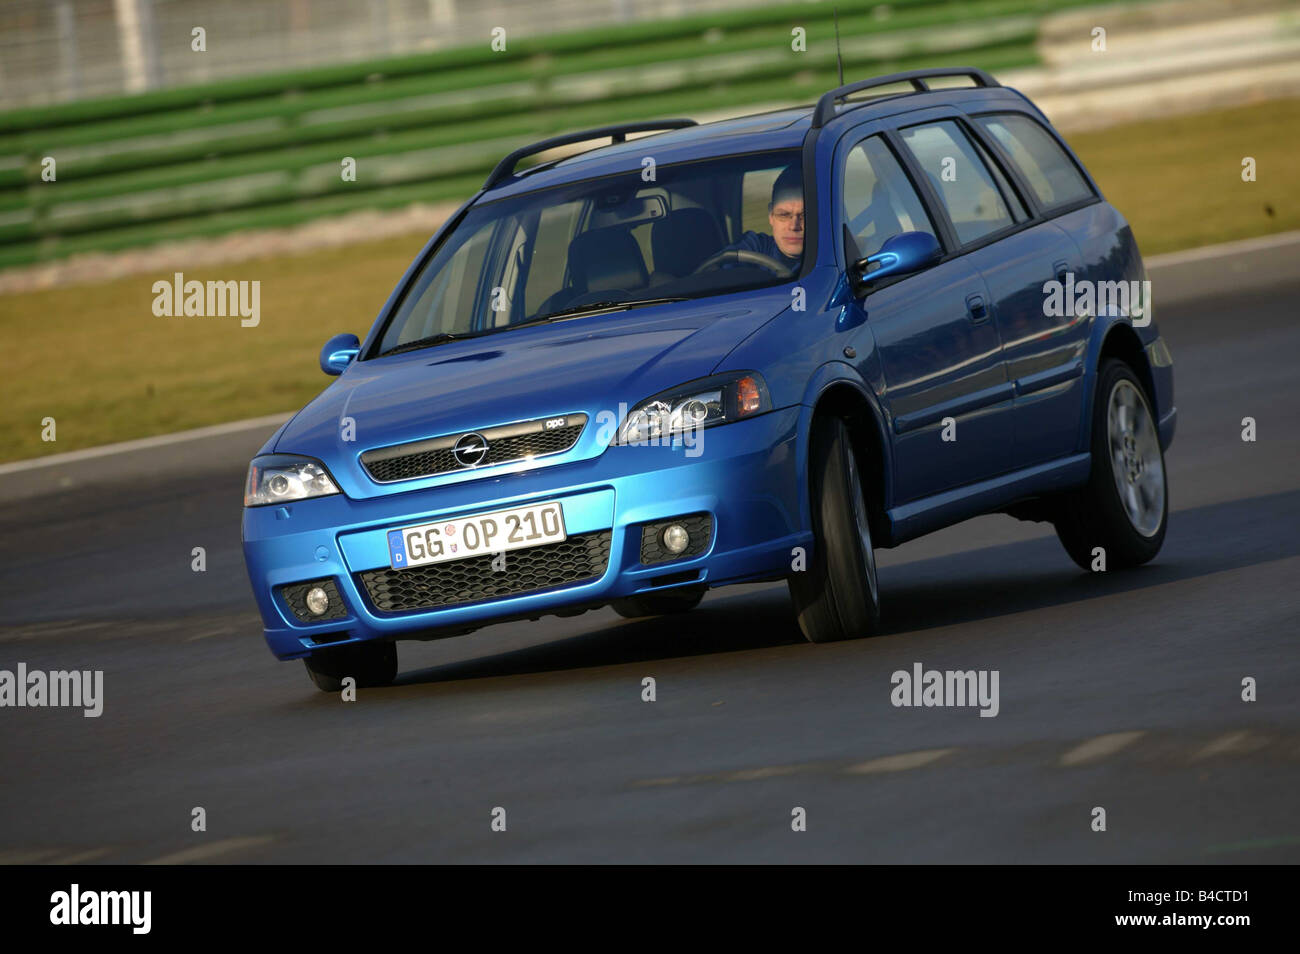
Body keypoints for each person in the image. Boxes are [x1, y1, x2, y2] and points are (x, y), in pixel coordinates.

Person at [725, 164, 804, 272]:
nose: (794, 226)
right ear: (771, 215)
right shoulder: (755, 247)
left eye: (804, 216)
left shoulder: (832, 256)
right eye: (783, 215)